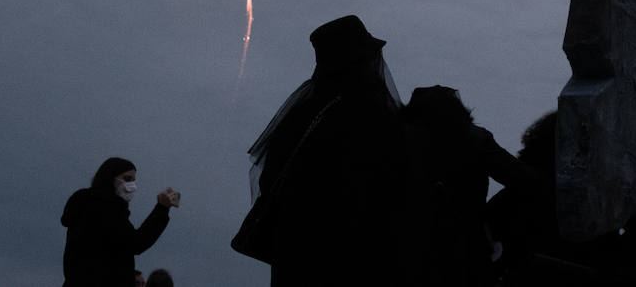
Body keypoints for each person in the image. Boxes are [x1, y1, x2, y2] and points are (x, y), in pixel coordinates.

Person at [232, 15, 406, 285]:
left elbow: (271, 180)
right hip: (347, 255)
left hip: (294, 254)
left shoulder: (301, 114)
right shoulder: (368, 111)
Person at [400, 86, 544, 286]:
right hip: (467, 246)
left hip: (409, 245)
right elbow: (524, 180)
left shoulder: (398, 143)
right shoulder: (475, 140)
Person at [61, 157, 180, 287]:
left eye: (133, 180)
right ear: (110, 178)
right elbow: (136, 243)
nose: (132, 185)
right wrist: (161, 209)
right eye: (127, 179)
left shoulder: (87, 205)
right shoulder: (104, 209)